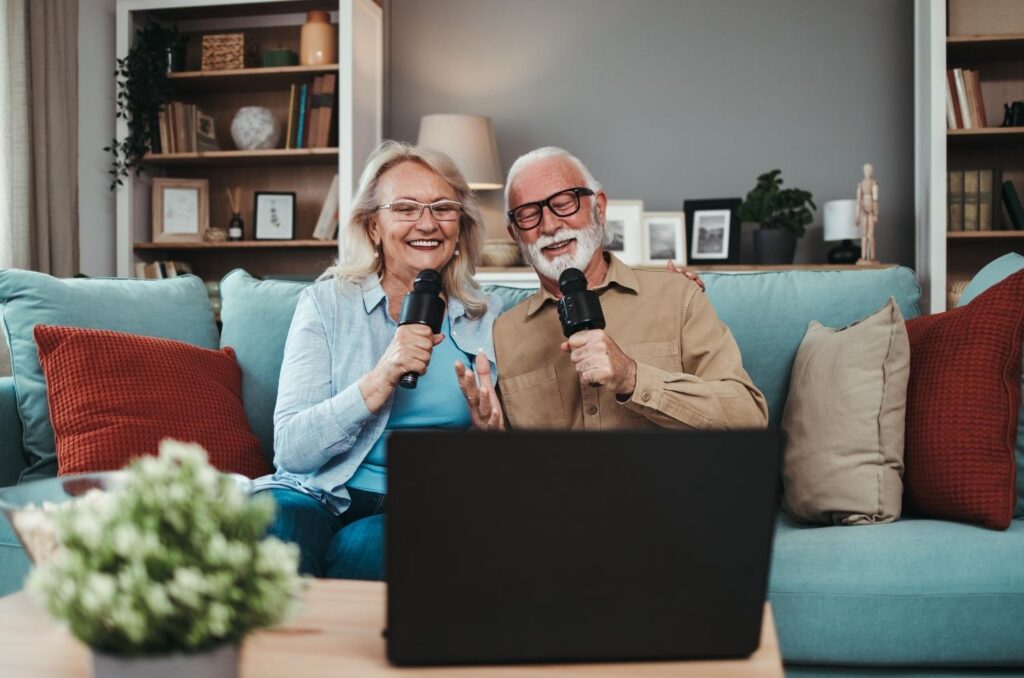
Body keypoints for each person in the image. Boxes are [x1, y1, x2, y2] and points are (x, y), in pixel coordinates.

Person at [255, 141, 503, 579]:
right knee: (274, 519)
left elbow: (505, 465)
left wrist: (489, 437)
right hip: (317, 490)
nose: (426, 223)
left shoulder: (488, 316)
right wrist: (378, 380)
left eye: (443, 208)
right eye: (405, 207)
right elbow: (291, 450)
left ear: (460, 227)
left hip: (423, 499)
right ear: (372, 227)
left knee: (367, 548)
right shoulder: (327, 304)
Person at [457, 147, 767, 431]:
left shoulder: (676, 295)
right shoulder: (501, 335)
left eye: (564, 204)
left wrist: (631, 377)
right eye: (528, 215)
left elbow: (749, 417)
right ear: (514, 233)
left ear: (599, 208)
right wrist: (492, 442)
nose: (549, 226)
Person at [856, 163, 879, 263]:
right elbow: (858, 200)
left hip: (870, 211)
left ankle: (872, 257)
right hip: (863, 210)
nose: (867, 172)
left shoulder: (874, 184)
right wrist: (857, 215)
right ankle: (863, 256)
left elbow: (875, 199)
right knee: (864, 235)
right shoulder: (860, 184)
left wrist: (875, 214)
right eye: (866, 170)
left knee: (871, 234)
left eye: (869, 170)